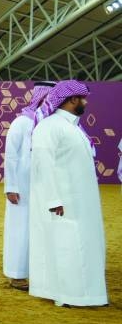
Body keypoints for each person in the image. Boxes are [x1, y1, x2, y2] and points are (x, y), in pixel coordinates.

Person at [28, 81, 107, 308]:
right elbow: (43, 165)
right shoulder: (49, 127)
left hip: (82, 200)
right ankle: (68, 296)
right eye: (83, 99)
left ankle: (87, 294)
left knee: (85, 245)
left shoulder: (73, 127)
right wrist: (54, 199)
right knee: (67, 246)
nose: (86, 103)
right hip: (63, 201)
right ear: (72, 100)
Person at [2, 81, 55, 291]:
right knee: (20, 229)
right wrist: (11, 187)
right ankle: (17, 275)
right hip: (22, 188)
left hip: (45, 186)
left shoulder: (52, 124)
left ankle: (42, 273)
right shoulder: (22, 122)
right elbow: (11, 156)